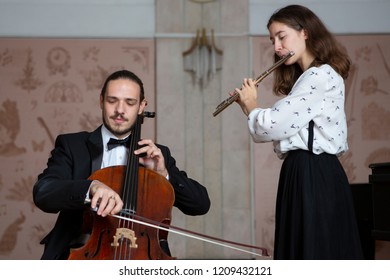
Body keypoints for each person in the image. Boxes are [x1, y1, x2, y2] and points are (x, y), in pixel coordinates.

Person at [33, 69, 210, 259]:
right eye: (112, 100)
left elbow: (200, 205)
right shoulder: (72, 145)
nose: (120, 110)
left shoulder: (157, 154)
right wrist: (90, 186)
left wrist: (163, 174)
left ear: (142, 106)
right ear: (101, 101)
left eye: (130, 102)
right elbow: (43, 192)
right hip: (80, 256)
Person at [234, 5, 363, 259]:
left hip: (313, 173)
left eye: (282, 36)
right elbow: (276, 131)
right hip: (307, 172)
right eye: (273, 40)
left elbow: (271, 125)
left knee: (314, 253)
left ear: (305, 32)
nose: (277, 47)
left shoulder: (319, 76)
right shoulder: (309, 78)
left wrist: (251, 106)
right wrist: (249, 110)